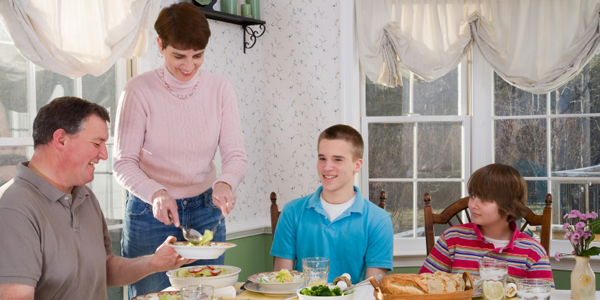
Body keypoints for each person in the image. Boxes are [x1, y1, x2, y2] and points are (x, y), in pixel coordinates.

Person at [112, 2, 247, 297]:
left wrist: (225, 183)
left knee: (208, 294)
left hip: (206, 213)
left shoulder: (220, 89)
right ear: (160, 45)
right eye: (178, 56)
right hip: (150, 213)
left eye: (197, 56)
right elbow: (123, 162)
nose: (188, 65)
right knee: (150, 296)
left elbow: (235, 156)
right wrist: (156, 192)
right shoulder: (138, 91)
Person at [0, 97, 195, 300]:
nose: (103, 154)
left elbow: (105, 268)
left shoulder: (84, 196)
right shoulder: (13, 208)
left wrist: (153, 262)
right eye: (96, 143)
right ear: (60, 140)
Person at [270, 124, 394, 284]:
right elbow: (282, 282)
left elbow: (372, 290)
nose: (327, 167)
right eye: (322, 158)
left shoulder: (379, 220)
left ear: (357, 165)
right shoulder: (292, 211)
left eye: (337, 159)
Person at [419, 163, 554, 286]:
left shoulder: (533, 252)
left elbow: (544, 294)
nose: (472, 205)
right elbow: (424, 285)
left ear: (509, 207)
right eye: (472, 196)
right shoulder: (452, 239)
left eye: (484, 199)